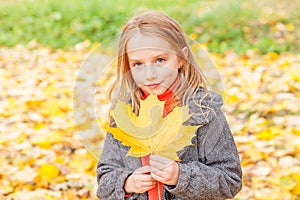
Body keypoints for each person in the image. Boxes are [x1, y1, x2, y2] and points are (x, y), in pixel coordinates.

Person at [96, 10, 242, 200]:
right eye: (138, 64)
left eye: (160, 60)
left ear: (181, 58)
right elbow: (105, 179)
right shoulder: (125, 113)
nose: (149, 74)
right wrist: (127, 183)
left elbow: (230, 180)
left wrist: (181, 176)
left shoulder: (203, 111)